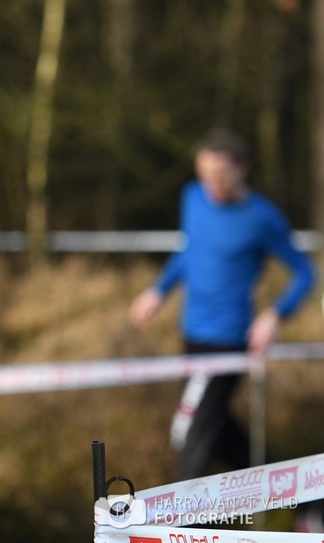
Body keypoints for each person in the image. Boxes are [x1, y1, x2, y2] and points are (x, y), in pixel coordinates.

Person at [130, 128, 316, 480]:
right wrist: (159, 290)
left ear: (242, 168)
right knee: (217, 427)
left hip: (228, 339)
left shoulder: (262, 217)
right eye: (203, 175)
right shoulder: (193, 197)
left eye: (218, 175)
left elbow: (306, 273)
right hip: (191, 332)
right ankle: (298, 494)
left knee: (189, 433)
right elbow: (190, 250)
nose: (210, 185)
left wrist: (275, 315)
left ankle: (187, 514)